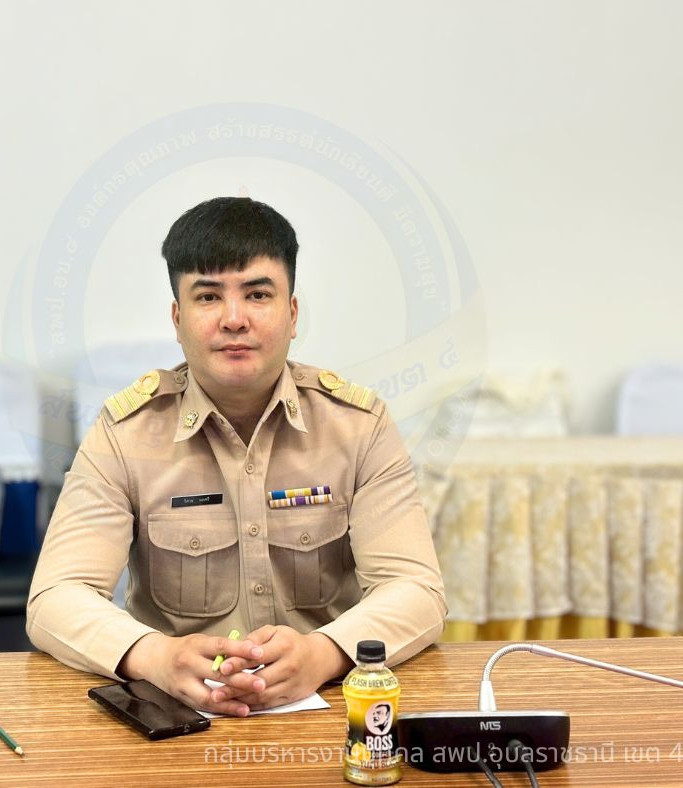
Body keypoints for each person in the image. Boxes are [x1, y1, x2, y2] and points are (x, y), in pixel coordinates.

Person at [27, 196, 446, 717]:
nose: (233, 319)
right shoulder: (125, 434)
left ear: (292, 314)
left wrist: (323, 653)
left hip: (332, 707)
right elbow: (56, 596)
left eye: (257, 294)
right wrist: (155, 657)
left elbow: (416, 588)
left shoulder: (358, 425)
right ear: (177, 318)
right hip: (177, 719)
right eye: (208, 296)